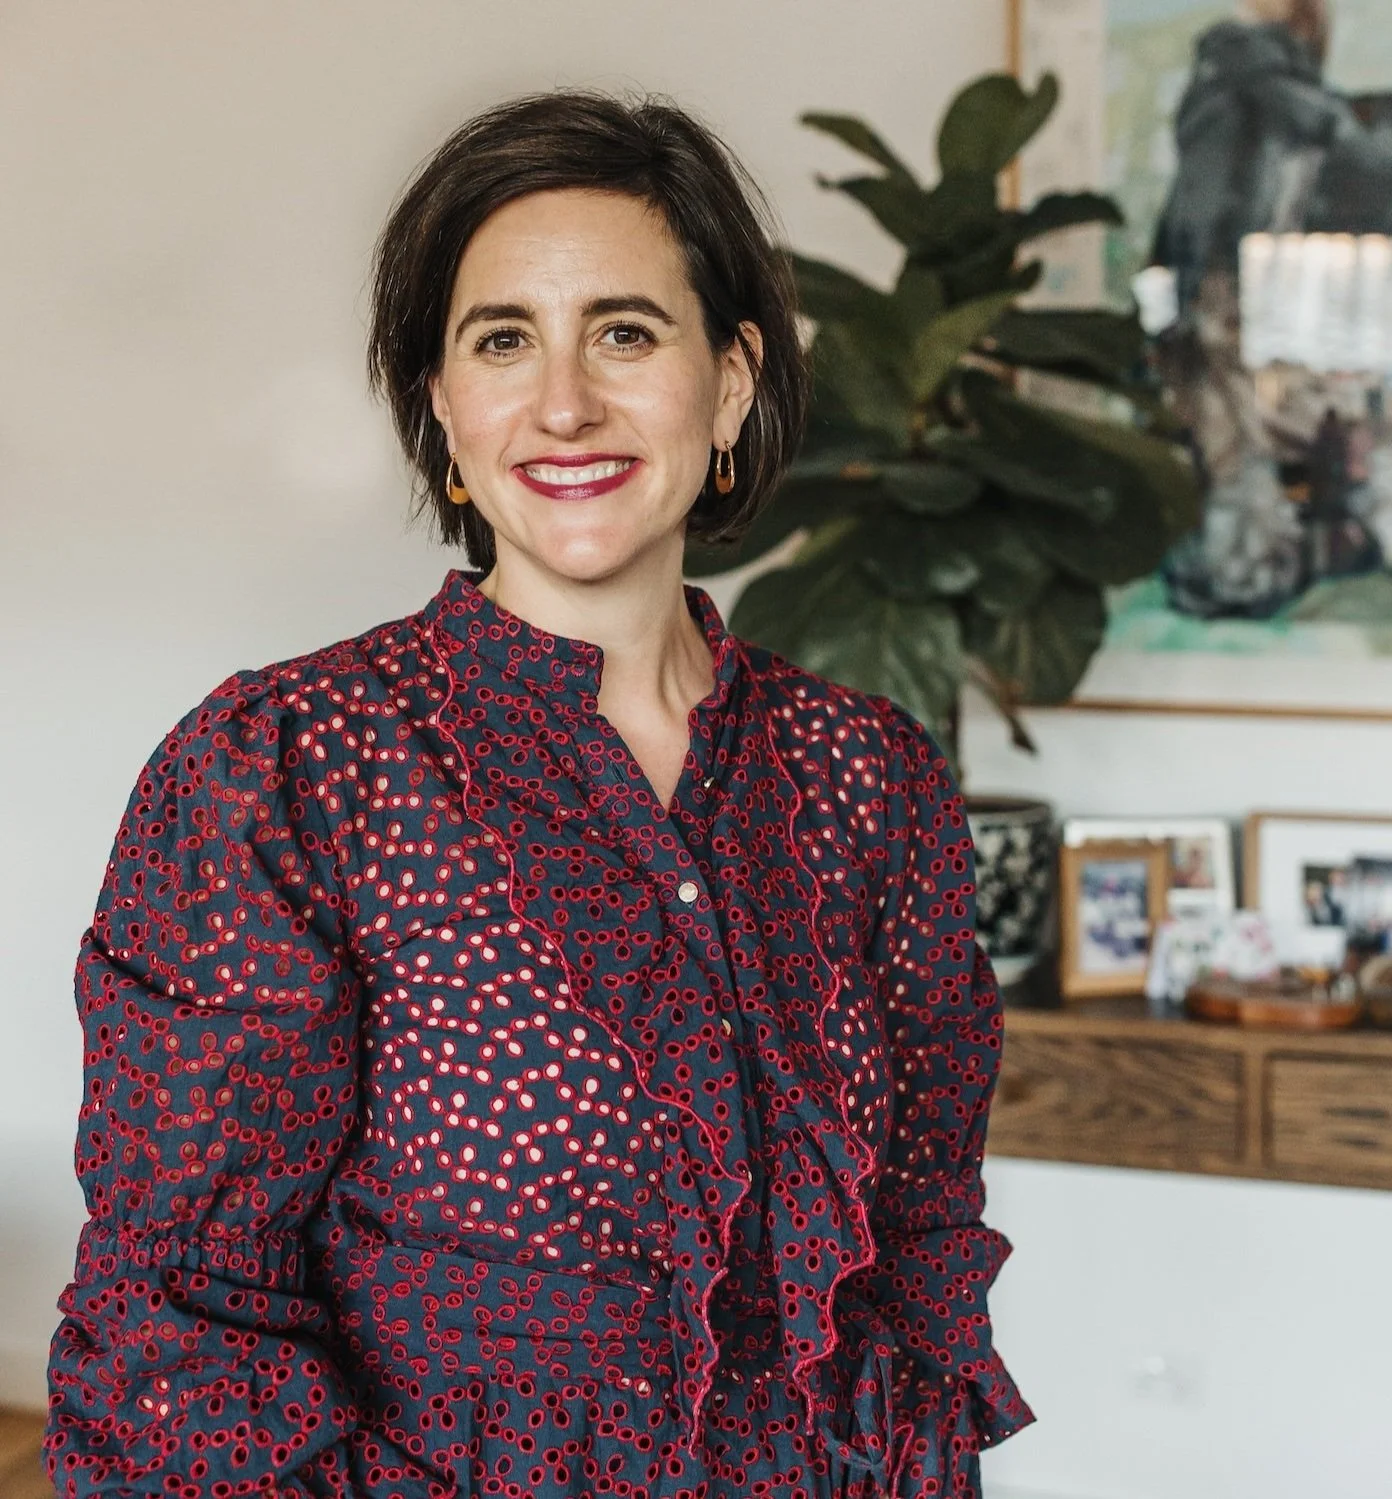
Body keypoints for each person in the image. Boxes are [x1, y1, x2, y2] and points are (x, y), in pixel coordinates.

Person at [43, 91, 1034, 1499]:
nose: (564, 401)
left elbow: (921, 1236)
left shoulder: (871, 775)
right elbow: (181, 1305)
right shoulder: (290, 767)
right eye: (502, 340)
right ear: (443, 408)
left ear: (731, 381)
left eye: (625, 332)